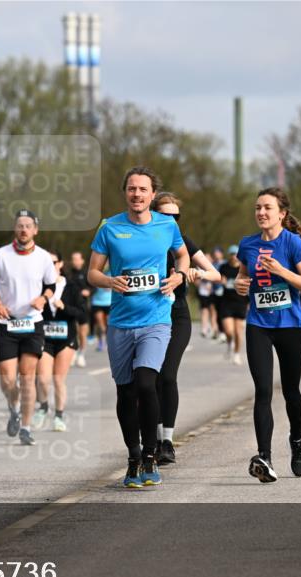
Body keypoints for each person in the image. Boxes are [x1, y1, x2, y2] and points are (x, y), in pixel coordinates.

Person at [88, 167, 188, 488]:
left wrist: (179, 276)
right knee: (126, 392)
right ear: (125, 193)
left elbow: (183, 255)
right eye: (132, 189)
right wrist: (109, 281)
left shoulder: (167, 225)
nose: (137, 194)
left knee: (147, 383)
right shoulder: (110, 227)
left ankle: (150, 455)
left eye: (143, 189)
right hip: (120, 323)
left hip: (156, 319)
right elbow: (93, 273)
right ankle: (133, 458)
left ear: (152, 194)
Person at [233, 188, 301, 483]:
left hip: (289, 325)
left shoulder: (293, 243)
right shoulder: (248, 244)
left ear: (281, 213)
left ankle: (297, 441)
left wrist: (282, 271)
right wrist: (239, 284)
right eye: (257, 207)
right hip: (258, 324)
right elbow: (242, 276)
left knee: (291, 391)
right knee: (263, 391)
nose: (261, 213)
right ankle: (264, 458)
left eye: (267, 208)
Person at [151, 193, 220, 465]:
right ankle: (154, 439)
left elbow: (215, 273)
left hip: (177, 315)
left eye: (175, 216)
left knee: (167, 375)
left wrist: (197, 273)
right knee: (151, 378)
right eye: (165, 215)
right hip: (149, 314)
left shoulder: (183, 242)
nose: (171, 220)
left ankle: (167, 441)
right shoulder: (144, 240)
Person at [0, 209, 57, 446]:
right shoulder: (1, 255)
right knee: (8, 380)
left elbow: (51, 286)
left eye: (28, 226)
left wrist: (43, 299)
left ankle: (26, 428)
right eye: (20, 225)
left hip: (32, 322)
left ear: (35, 230)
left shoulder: (43, 257)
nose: (23, 229)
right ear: (14, 229)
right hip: (6, 323)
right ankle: (14, 407)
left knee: (28, 378)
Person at [34, 250, 86, 432]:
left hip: (66, 339)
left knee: (58, 379)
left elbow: (81, 313)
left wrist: (64, 307)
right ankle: (43, 406)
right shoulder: (39, 287)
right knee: (43, 379)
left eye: (54, 262)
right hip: (45, 339)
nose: (51, 266)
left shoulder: (71, 286)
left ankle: (59, 416)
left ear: (61, 264)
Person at [218, 245, 249, 363]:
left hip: (241, 302)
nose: (234, 256)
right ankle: (229, 343)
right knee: (229, 331)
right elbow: (218, 279)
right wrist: (221, 281)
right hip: (227, 302)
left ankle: (236, 354)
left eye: (236, 254)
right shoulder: (224, 267)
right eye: (232, 254)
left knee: (238, 332)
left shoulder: (244, 268)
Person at [68, 251, 91, 368]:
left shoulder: (87, 273)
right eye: (74, 259)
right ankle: (73, 353)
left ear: (82, 261)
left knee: (82, 333)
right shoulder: (68, 274)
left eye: (77, 259)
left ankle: (81, 354)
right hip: (72, 308)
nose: (75, 261)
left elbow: (93, 287)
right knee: (73, 332)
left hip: (83, 307)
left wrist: (89, 291)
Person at [89, 284, 112, 351]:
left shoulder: (112, 276)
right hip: (97, 303)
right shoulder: (96, 276)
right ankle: (101, 341)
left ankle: (108, 341)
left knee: (108, 324)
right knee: (100, 325)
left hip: (109, 302)